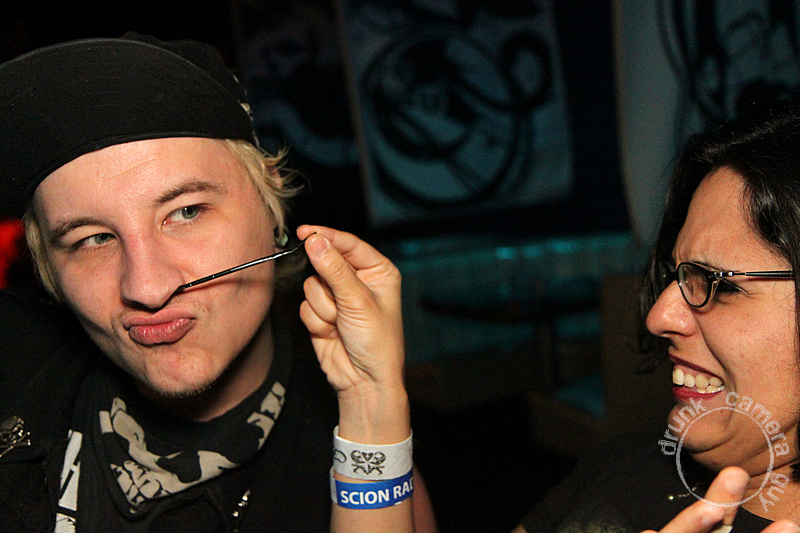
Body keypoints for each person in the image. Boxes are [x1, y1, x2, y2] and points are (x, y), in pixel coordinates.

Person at [0, 33, 435, 532]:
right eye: (94, 239)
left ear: (270, 206)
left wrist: (371, 408)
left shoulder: (350, 462)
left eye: (186, 212)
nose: (147, 288)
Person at [312, 97, 800, 531]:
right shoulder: (626, 470)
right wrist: (372, 403)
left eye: (719, 284)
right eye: (676, 274)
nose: (659, 315)